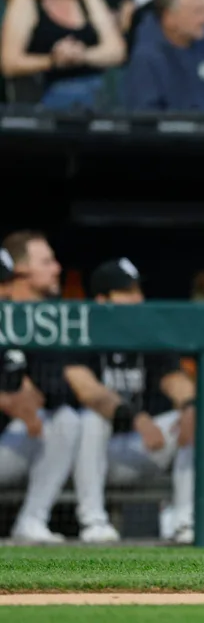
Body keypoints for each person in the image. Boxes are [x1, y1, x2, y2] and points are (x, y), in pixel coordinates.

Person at [68, 259, 197, 544]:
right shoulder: (80, 331)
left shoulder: (146, 334)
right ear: (102, 300)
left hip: (137, 448)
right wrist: (135, 417)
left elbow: (173, 377)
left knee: (197, 419)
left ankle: (186, 521)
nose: (138, 299)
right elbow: (88, 392)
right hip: (87, 454)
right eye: (127, 293)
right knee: (90, 419)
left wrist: (190, 406)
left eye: (138, 291)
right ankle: (93, 522)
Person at [0, 231, 82, 543]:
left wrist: (27, 396)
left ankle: (31, 522)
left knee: (66, 420)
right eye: (1, 282)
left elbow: (52, 391)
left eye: (7, 281)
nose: (5, 290)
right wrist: (6, 400)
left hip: (9, 445)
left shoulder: (32, 325)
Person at [1, 0, 126, 108]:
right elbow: (9, 62)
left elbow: (116, 50)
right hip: (44, 104)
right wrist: (52, 61)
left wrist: (81, 56)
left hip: (92, 102)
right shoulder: (25, 1)